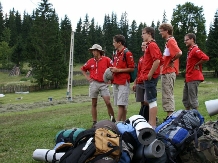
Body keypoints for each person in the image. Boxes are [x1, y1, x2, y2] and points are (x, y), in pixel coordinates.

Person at [81, 44, 116, 126]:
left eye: (95, 50)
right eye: (93, 50)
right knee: (94, 103)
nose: (93, 52)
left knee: (108, 102)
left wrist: (111, 79)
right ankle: (94, 122)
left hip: (104, 83)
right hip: (94, 83)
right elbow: (83, 69)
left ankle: (112, 119)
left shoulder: (106, 59)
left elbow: (113, 69)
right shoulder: (90, 61)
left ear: (99, 51)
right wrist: (87, 77)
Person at [139, 27, 163, 129]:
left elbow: (157, 60)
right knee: (148, 100)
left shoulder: (152, 45)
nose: (142, 35)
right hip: (147, 77)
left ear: (149, 34)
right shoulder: (149, 46)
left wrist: (150, 74)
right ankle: (150, 121)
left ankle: (152, 125)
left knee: (152, 101)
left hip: (150, 77)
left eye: (143, 33)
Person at [158, 23, 182, 119]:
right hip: (166, 72)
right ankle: (169, 117)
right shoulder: (168, 41)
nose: (160, 33)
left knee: (168, 95)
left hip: (168, 72)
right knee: (167, 94)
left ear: (166, 31)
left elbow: (179, 52)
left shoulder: (171, 41)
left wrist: (172, 60)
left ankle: (170, 118)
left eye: (161, 31)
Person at [110, 34, 135, 121]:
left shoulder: (127, 53)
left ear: (119, 43)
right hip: (115, 81)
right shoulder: (115, 54)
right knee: (119, 103)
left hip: (123, 81)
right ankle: (124, 122)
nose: (113, 44)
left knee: (121, 103)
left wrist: (118, 70)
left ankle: (117, 123)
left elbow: (132, 68)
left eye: (114, 42)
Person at [182, 33, 209, 110]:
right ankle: (188, 116)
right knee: (185, 99)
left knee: (192, 99)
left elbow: (205, 58)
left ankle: (196, 118)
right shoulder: (190, 51)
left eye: (187, 40)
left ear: (192, 39)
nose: (185, 41)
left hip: (193, 77)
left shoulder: (195, 49)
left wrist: (197, 64)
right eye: (185, 40)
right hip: (188, 78)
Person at [133, 41, 149, 121]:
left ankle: (151, 117)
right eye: (142, 45)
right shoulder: (141, 59)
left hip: (147, 82)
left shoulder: (149, 58)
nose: (142, 46)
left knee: (147, 101)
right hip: (139, 82)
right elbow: (138, 72)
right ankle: (143, 117)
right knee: (142, 101)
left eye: (144, 45)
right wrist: (135, 82)